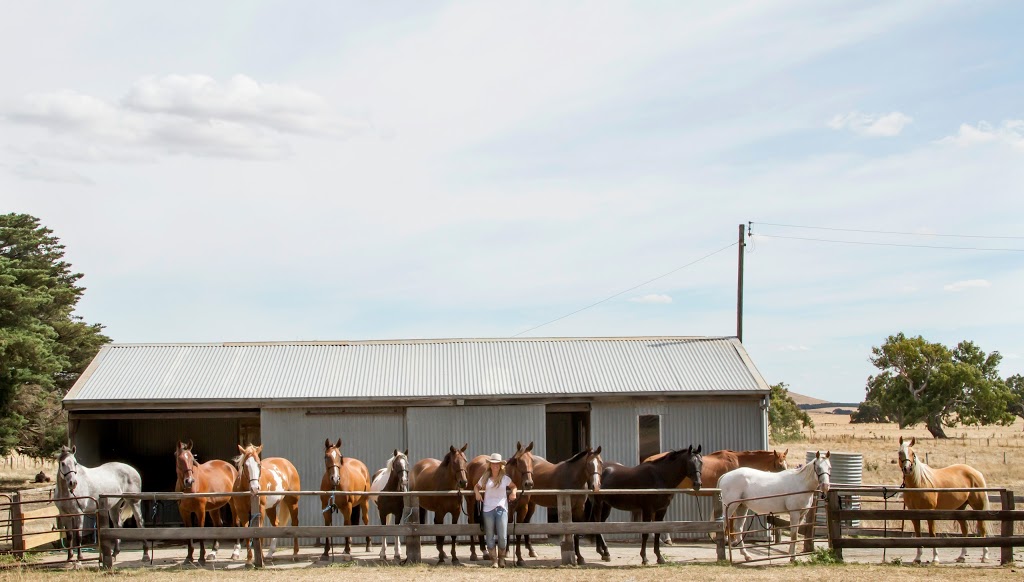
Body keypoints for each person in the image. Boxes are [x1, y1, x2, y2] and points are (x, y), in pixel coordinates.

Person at [474, 452, 518, 568]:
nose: (495, 466)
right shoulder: (485, 478)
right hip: (488, 509)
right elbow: (476, 486)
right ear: (490, 465)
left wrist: (513, 493)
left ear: (500, 465)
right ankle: (494, 560)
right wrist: (477, 493)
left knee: (502, 535)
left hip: (502, 508)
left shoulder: (505, 478)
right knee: (489, 535)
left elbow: (514, 486)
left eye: (497, 464)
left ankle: (502, 559)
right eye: (493, 464)